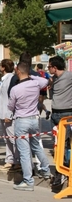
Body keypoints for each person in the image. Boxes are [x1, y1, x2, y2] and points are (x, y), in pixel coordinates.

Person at [8, 62, 52, 191]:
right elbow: (46, 81)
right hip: (34, 119)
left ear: (18, 72)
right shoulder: (35, 83)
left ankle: (28, 181)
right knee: (36, 146)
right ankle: (46, 170)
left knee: (24, 152)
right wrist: (31, 76)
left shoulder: (15, 89)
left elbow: (11, 106)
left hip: (22, 120)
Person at [48, 55, 72, 187]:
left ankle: (64, 171)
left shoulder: (69, 76)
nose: (48, 69)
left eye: (49, 67)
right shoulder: (54, 79)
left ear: (54, 67)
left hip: (66, 113)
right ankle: (60, 169)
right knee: (57, 143)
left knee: (65, 144)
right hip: (55, 114)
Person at [0, 59, 21, 172]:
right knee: (7, 138)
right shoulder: (4, 79)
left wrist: (9, 114)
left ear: (3, 67)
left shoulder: (11, 79)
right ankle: (10, 159)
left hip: (8, 114)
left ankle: (17, 161)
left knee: (12, 138)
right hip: (2, 113)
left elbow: (11, 98)